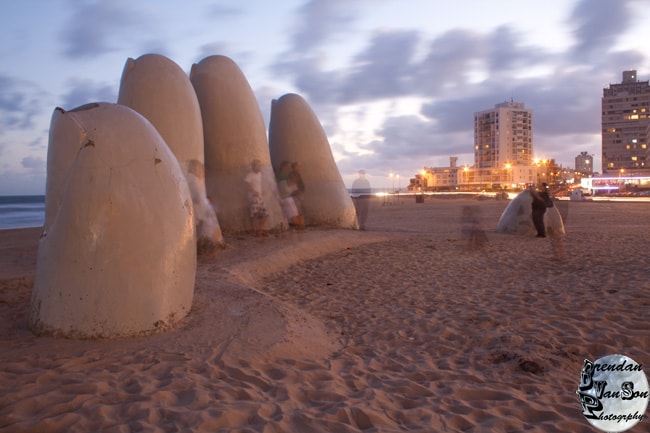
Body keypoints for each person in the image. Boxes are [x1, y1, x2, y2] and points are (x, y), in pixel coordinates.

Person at [244, 159, 268, 236]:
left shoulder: (260, 174)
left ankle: (259, 230)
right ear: (253, 166)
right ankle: (253, 230)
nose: (259, 167)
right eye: (258, 165)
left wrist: (262, 191)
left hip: (260, 197)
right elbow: (246, 184)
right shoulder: (250, 175)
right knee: (253, 214)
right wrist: (254, 191)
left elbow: (259, 184)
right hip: (253, 197)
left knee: (265, 214)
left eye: (260, 165)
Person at [276, 161, 302, 229]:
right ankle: (296, 224)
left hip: (287, 199)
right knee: (290, 203)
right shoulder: (282, 183)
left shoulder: (294, 185)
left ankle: (296, 224)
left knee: (294, 205)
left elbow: (297, 192)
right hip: (282, 199)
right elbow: (278, 191)